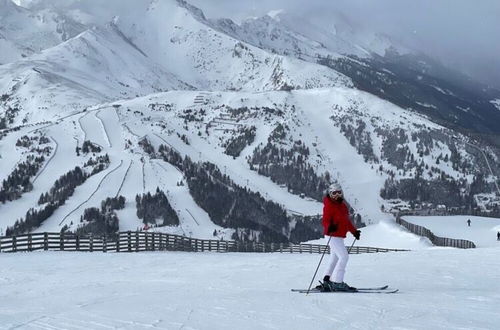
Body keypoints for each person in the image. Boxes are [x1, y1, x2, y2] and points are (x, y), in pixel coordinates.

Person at [320, 183, 361, 292]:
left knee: (335, 258)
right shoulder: (329, 205)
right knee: (344, 257)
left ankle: (327, 279)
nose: (337, 195)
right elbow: (325, 221)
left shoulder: (342, 206)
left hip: (339, 236)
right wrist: (330, 227)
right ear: (330, 194)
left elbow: (346, 221)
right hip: (332, 235)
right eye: (334, 193)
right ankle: (337, 282)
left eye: (339, 192)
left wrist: (354, 232)